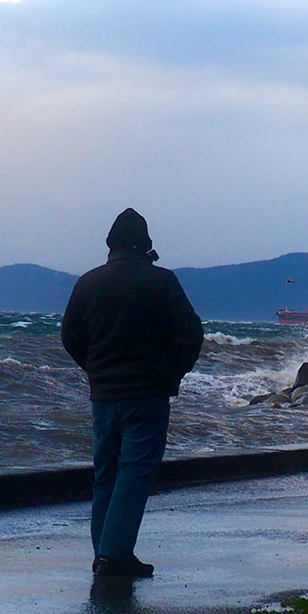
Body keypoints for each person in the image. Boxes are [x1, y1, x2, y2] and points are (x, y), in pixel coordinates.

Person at [61, 208, 204, 578]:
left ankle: (104, 553)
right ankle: (115, 555)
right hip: (148, 396)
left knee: (105, 475)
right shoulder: (162, 282)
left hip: (103, 396)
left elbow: (70, 337)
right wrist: (173, 373)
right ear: (146, 245)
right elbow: (191, 334)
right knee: (135, 472)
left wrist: (94, 369)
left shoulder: (87, 283)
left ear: (111, 245)